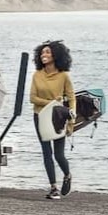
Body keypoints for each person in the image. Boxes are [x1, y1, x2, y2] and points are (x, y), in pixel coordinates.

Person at [29, 40, 75, 200]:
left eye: (47, 52)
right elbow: (32, 98)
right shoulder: (37, 75)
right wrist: (52, 103)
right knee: (46, 152)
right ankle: (53, 187)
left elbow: (71, 98)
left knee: (59, 155)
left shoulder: (64, 76)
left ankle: (67, 175)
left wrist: (71, 122)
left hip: (58, 117)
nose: (44, 55)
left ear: (56, 55)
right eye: (42, 53)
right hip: (40, 116)